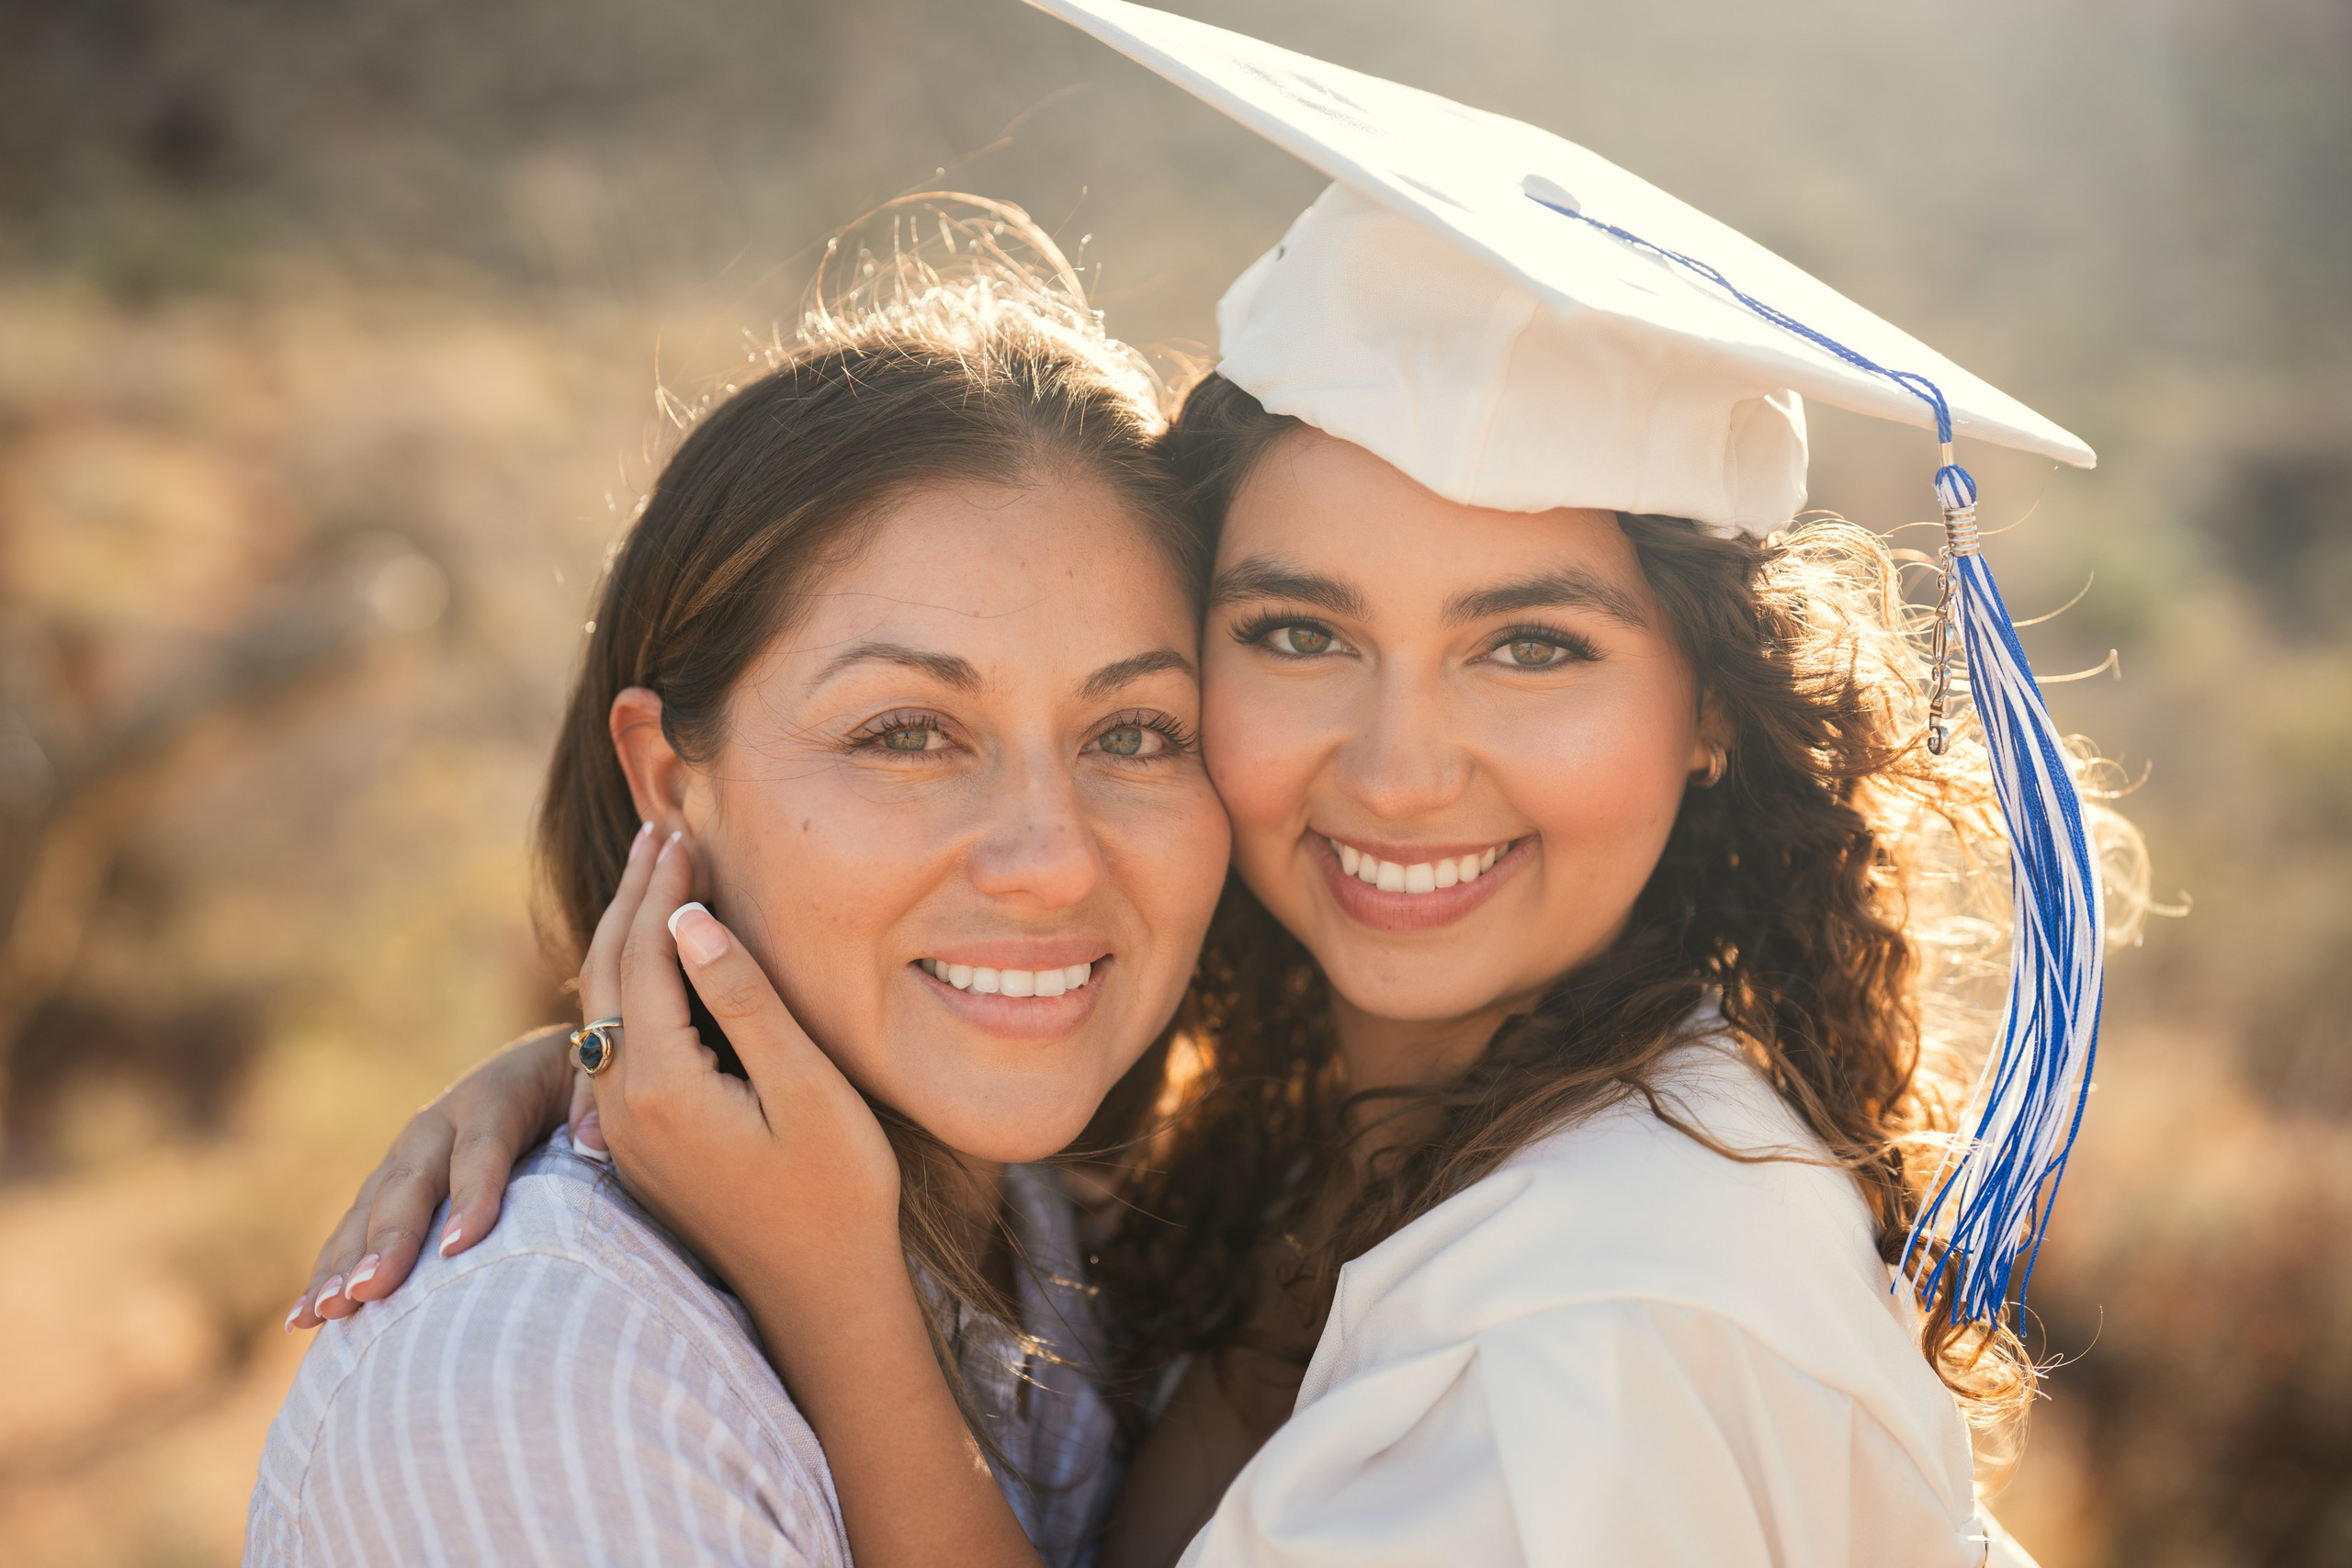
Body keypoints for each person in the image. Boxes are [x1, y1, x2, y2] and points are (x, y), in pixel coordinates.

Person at [293, 6, 2152, 1566]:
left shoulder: (1595, 1337)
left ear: (1709, 709)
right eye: (1290, 632)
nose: (1398, 767)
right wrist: (612, 1062)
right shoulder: (1259, 1155)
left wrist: (828, 1281)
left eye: (1529, 643)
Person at [246, 197, 1230, 1568]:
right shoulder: (543, 1400)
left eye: (1133, 734)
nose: (1055, 856)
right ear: (667, 780)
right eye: (904, 734)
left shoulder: (1077, 1222)